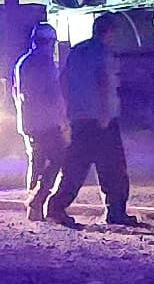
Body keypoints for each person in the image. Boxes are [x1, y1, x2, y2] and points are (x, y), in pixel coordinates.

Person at [43, 22, 131, 227]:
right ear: (109, 32)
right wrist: (105, 113)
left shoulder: (77, 51)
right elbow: (103, 82)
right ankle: (115, 211)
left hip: (79, 118)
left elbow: (63, 80)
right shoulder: (103, 52)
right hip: (101, 120)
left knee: (75, 166)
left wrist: (68, 109)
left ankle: (55, 207)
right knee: (113, 168)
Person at [9, 18, 68, 222]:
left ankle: (34, 209)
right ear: (50, 42)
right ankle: (38, 199)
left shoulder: (22, 63)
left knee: (36, 161)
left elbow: (15, 92)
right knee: (59, 158)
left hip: (27, 121)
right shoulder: (46, 63)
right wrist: (64, 117)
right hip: (46, 122)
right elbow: (54, 93)